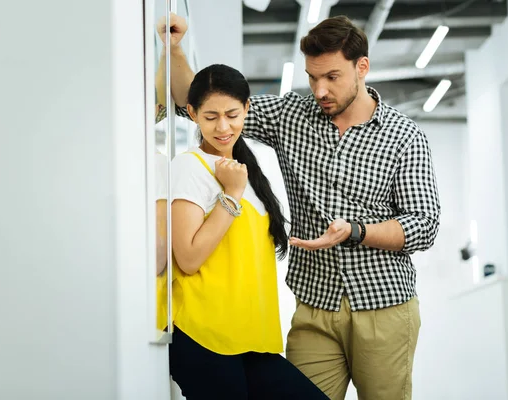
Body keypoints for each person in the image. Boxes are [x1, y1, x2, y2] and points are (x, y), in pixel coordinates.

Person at [167, 13, 441, 400]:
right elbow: (205, 104)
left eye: (332, 76)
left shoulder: (405, 136)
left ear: (362, 67)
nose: (320, 89)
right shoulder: (291, 115)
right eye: (313, 77)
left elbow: (424, 225)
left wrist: (356, 231)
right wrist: (175, 48)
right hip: (314, 306)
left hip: (384, 307)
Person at [167, 63, 328, 400]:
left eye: (232, 114)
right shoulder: (189, 167)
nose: (223, 127)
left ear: (247, 110)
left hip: (251, 340)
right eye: (210, 117)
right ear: (193, 114)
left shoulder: (246, 173)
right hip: (205, 339)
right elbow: (189, 258)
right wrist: (231, 195)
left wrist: (236, 187)